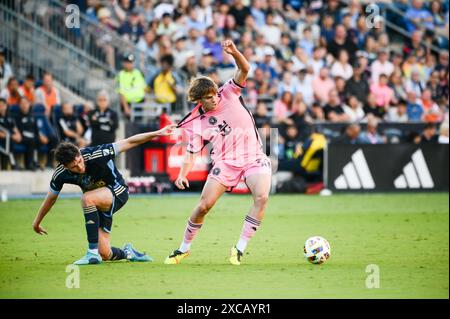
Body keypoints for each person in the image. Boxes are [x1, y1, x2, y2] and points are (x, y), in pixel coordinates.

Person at [164, 39, 272, 266]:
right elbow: (192, 151)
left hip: (253, 157)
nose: (214, 98)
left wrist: (235, 53)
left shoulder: (229, 92)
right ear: (198, 100)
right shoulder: (197, 122)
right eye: (208, 97)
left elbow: (245, 69)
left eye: (213, 94)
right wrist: (183, 174)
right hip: (225, 162)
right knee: (204, 206)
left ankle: (239, 249)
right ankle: (183, 249)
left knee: (261, 197)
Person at [32, 123, 176, 265]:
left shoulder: (97, 153)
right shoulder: (60, 174)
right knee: (106, 253)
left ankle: (91, 254)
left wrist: (158, 133)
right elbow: (51, 199)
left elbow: (129, 141)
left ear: (79, 152)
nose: (80, 167)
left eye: (80, 161)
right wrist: (37, 222)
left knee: (87, 198)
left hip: (118, 191)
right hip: (98, 202)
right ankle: (128, 252)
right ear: (65, 167)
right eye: (74, 167)